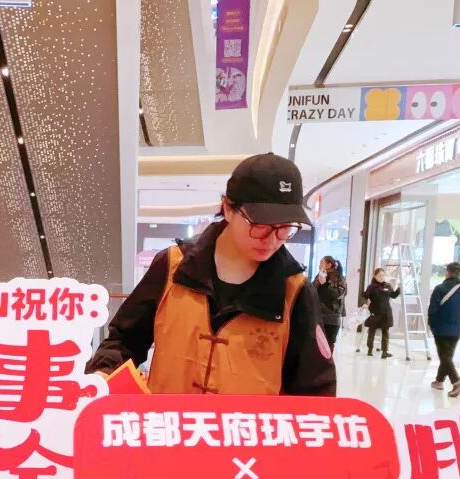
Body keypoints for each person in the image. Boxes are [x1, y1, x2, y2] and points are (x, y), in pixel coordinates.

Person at [87, 153, 336, 396]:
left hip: (242, 426)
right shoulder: (173, 266)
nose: (272, 241)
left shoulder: (295, 291)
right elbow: (124, 340)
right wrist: (102, 373)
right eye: (260, 227)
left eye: (285, 229)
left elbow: (315, 390)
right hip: (169, 422)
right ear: (228, 208)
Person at [428, 262, 460, 397]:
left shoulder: (439, 289)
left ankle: (457, 382)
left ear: (448, 272)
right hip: (456, 329)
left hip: (441, 328)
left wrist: (432, 325)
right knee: (447, 356)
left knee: (445, 356)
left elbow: (432, 310)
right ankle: (439, 381)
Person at [363, 268, 400, 359]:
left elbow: (393, 295)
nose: (382, 277)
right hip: (375, 312)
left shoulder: (387, 285)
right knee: (372, 331)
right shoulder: (371, 287)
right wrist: (364, 304)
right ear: (375, 276)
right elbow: (365, 296)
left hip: (386, 313)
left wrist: (399, 288)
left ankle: (385, 352)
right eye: (379, 275)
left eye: (383, 275)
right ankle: (370, 350)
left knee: (385, 332)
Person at [313, 256, 347, 352]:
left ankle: (327, 361)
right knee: (316, 345)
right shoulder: (319, 276)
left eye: (321, 262)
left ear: (329, 264)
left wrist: (325, 284)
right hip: (318, 316)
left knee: (328, 345)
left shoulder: (339, 278)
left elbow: (337, 295)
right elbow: (312, 291)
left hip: (332, 317)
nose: (319, 265)